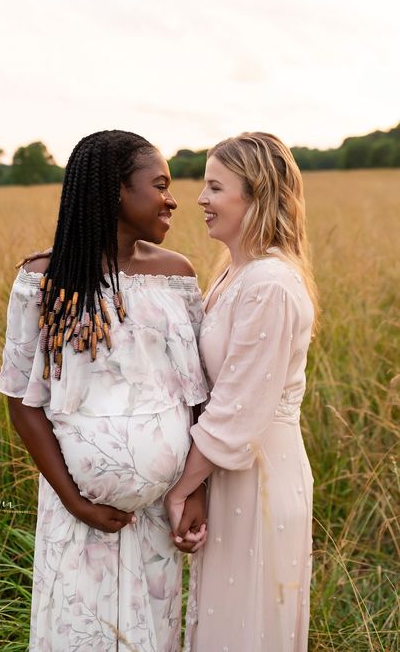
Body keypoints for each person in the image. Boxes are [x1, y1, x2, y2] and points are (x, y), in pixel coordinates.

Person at [0, 130, 208, 652]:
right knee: (80, 635)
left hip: (160, 512)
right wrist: (74, 499)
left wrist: (193, 490)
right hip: (78, 514)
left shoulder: (176, 276)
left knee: (151, 635)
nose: (172, 198)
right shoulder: (45, 281)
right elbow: (22, 400)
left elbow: (197, 394)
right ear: (115, 192)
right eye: (158, 185)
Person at [165, 132, 318, 652]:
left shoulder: (270, 284)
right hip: (230, 471)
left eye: (215, 187)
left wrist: (182, 488)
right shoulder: (235, 274)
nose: (201, 200)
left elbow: (238, 409)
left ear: (255, 196)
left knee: (249, 626)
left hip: (261, 478)